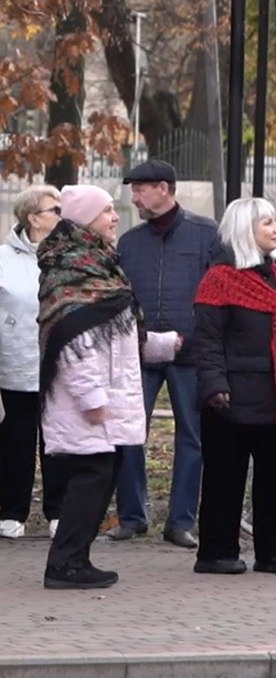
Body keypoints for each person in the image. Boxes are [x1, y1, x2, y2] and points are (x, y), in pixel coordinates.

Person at [37, 186, 180, 589]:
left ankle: (74, 559)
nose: (115, 217)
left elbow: (120, 336)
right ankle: (64, 565)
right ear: (85, 219)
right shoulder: (69, 270)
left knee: (99, 479)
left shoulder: (100, 267)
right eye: (106, 211)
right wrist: (93, 401)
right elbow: (71, 345)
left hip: (103, 405)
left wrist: (166, 344)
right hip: (85, 407)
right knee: (90, 480)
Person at [191, 198, 276, 575]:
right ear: (245, 229)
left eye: (275, 221)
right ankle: (216, 552)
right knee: (225, 475)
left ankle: (273, 552)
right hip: (231, 395)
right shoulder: (219, 279)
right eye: (268, 223)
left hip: (274, 392)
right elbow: (206, 339)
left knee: (273, 477)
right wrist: (214, 385)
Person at [113, 159, 220, 549]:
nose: (134, 196)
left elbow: (215, 294)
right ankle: (132, 515)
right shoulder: (130, 242)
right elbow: (122, 298)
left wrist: (192, 338)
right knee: (127, 433)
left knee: (192, 438)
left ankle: (181, 521)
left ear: (164, 187)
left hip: (189, 354)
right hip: (138, 353)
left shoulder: (206, 234)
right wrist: (139, 338)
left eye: (140, 189)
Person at [0, 185, 67, 540]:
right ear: (33, 217)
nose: (61, 214)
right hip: (15, 365)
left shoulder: (67, 255)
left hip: (60, 366)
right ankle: (12, 511)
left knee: (57, 441)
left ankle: (58, 511)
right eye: (54, 209)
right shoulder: (3, 260)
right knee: (15, 441)